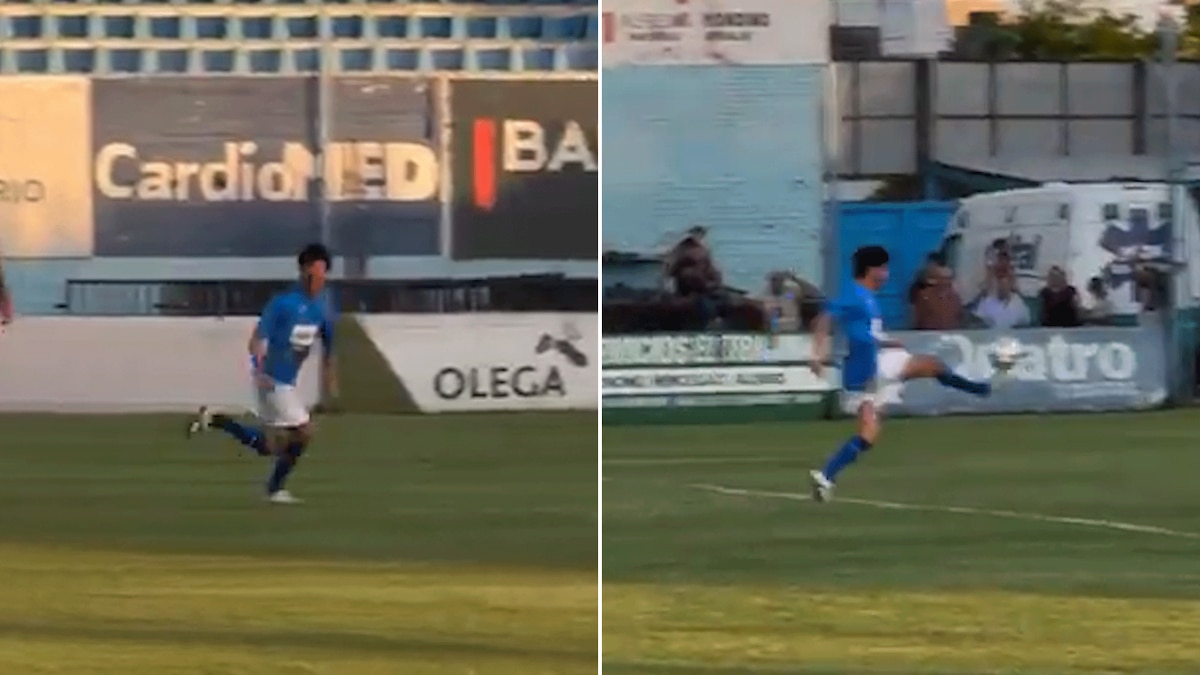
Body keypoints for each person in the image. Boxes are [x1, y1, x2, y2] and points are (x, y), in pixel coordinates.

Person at [808, 245, 996, 503]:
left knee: (869, 432)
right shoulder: (855, 294)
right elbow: (824, 319)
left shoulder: (867, 297)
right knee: (932, 365)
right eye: (883, 268)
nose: (886, 274)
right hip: (871, 365)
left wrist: (887, 341)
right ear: (871, 270)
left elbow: (863, 331)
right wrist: (817, 353)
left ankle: (826, 476)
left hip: (865, 369)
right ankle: (979, 389)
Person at [188, 243, 339, 505]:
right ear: (303, 272)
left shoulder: (323, 308)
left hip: (286, 383)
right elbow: (257, 338)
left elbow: (329, 346)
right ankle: (274, 489)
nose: (319, 280)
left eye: (323, 275)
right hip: (272, 380)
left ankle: (218, 420)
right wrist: (257, 367)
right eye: (315, 274)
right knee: (305, 431)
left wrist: (330, 379)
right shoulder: (283, 304)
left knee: (270, 447)